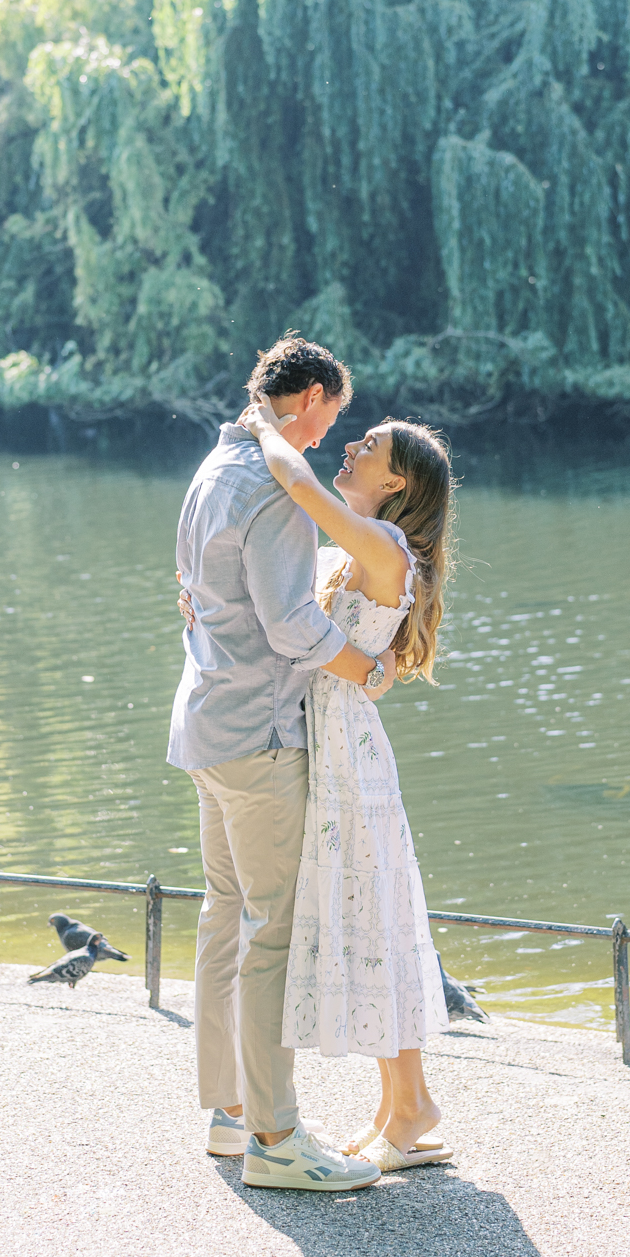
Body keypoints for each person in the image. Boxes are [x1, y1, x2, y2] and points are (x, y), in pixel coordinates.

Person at [167, 336, 395, 1193]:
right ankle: (276, 1138)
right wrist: (368, 670)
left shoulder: (211, 469)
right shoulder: (273, 487)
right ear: (305, 399)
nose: (328, 435)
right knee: (273, 935)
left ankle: (231, 1115)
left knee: (226, 915)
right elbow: (293, 624)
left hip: (204, 726)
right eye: (330, 415)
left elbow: (195, 589)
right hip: (259, 736)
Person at [237, 394, 455, 1173]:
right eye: (356, 440)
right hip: (332, 738)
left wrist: (264, 428)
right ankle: (405, 1106)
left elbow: (301, 491)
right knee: (371, 920)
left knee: (374, 917)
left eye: (369, 448)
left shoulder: (385, 543)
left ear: (395, 485)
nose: (352, 450)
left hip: (349, 756)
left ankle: (411, 1106)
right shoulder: (361, 548)